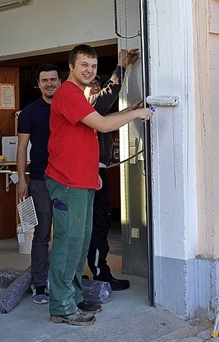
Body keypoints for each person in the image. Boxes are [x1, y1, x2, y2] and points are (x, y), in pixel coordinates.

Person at [46, 44, 153, 326]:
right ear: (71, 67)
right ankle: (61, 306)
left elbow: (93, 128)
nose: (89, 70)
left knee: (79, 245)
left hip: (83, 181)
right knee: (68, 246)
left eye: (92, 66)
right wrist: (136, 114)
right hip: (67, 182)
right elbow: (103, 125)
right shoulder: (68, 93)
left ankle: (74, 297)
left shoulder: (79, 96)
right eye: (84, 65)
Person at [85, 49, 141, 291]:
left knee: (99, 224)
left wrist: (129, 112)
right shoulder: (87, 106)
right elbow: (107, 97)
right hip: (91, 175)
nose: (96, 92)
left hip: (99, 172)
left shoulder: (96, 113)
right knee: (96, 225)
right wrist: (120, 67)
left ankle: (96, 271)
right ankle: (100, 273)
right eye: (92, 90)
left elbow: (107, 118)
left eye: (97, 88)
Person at [16, 64, 60, 305]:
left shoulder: (68, 108)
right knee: (41, 233)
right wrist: (22, 177)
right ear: (39, 84)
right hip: (41, 179)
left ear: (60, 81)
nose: (49, 83)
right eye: (45, 80)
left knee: (66, 234)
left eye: (53, 79)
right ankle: (40, 284)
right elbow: (22, 148)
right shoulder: (29, 113)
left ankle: (65, 279)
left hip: (67, 180)